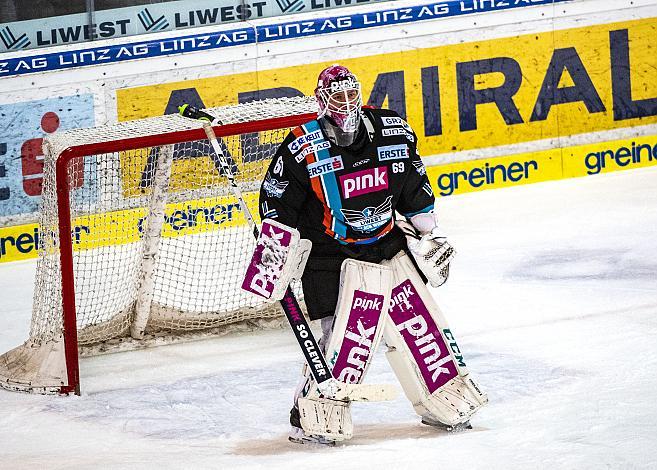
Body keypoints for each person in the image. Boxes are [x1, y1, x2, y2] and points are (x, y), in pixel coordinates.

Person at [257, 64, 486, 445]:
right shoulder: (302, 146)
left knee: (417, 325)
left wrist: (427, 234)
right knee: (341, 342)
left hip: (386, 244)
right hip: (330, 256)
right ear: (321, 102)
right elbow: (278, 199)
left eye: (351, 95)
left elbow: (414, 185)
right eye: (337, 97)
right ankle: (312, 412)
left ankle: (443, 398)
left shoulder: (392, 131)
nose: (345, 104)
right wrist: (275, 241)